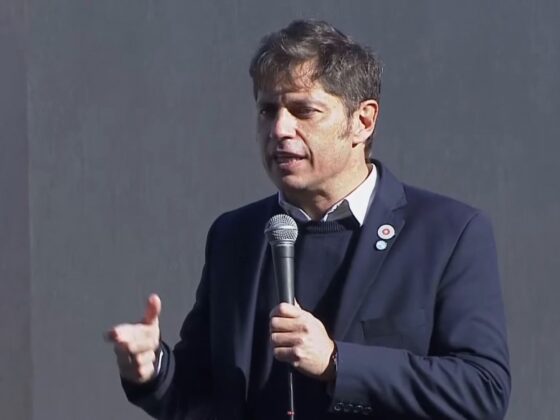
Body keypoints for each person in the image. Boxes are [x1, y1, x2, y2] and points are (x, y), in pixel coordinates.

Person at [107, 20, 510, 419]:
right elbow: (200, 395)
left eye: (303, 110)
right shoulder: (235, 236)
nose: (280, 129)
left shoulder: (447, 234)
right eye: (268, 111)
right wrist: (152, 369)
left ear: (363, 121)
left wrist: (338, 363)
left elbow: (482, 390)